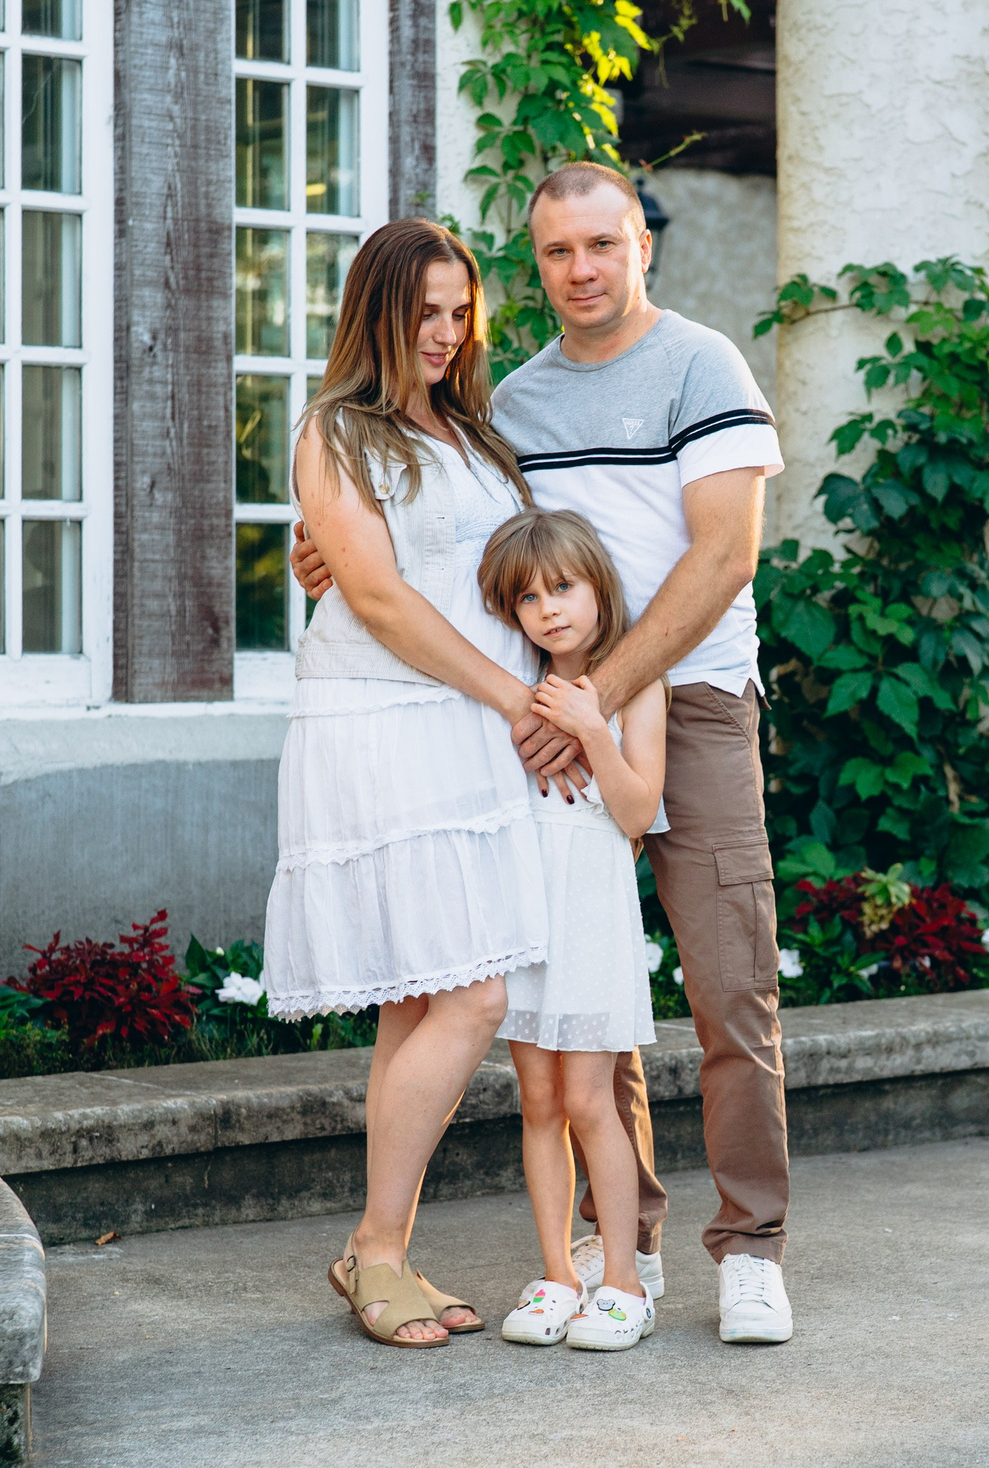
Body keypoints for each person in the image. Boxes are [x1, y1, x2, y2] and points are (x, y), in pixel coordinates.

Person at [298, 161, 795, 1344]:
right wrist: (330, 559)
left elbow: (724, 557)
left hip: (679, 701)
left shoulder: (702, 365)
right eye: (558, 251)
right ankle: (627, 1246)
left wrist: (592, 696)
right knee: (582, 998)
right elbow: (458, 545)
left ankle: (751, 1248)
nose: (581, 270)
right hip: (532, 724)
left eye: (603, 245)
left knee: (730, 984)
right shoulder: (506, 407)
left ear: (641, 246)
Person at [264, 219, 547, 1349]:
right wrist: (515, 697)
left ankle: (378, 1249)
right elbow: (378, 598)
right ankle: (377, 1248)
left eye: (459, 312)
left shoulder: (473, 433)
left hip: (466, 724)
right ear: (376, 311)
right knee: (474, 996)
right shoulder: (336, 429)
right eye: (424, 311)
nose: (444, 332)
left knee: (419, 997)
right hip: (382, 723)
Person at [473, 509, 670, 1352]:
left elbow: (638, 812)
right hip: (528, 912)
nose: (548, 608)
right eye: (528, 598)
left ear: (598, 587)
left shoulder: (638, 686)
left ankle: (624, 1281)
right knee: (540, 1101)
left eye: (562, 587)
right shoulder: (515, 690)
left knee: (591, 1099)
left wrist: (593, 726)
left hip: (590, 913)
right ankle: (559, 1274)